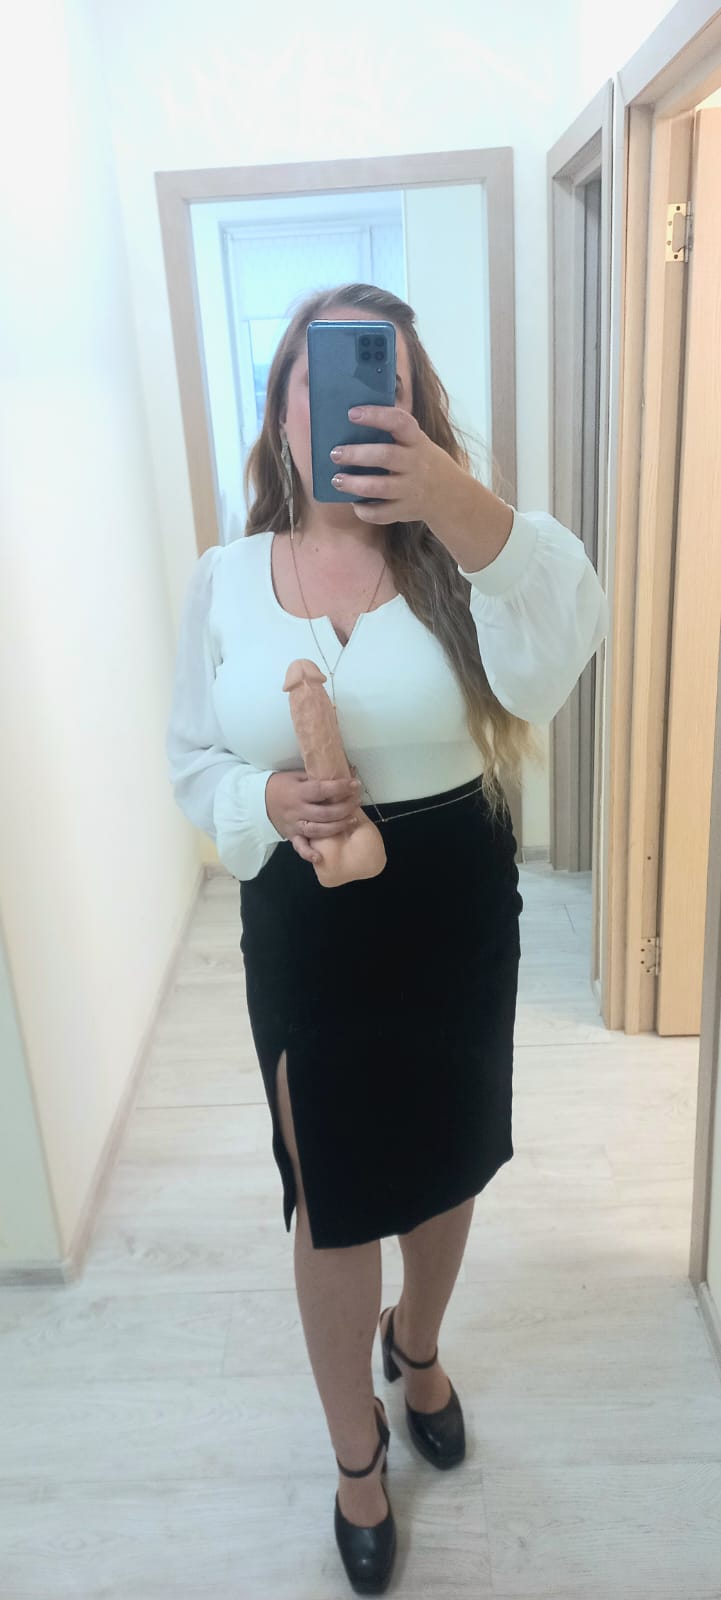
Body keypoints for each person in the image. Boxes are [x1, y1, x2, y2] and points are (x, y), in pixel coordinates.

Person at [166, 282, 609, 1595]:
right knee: (335, 1198)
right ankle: (354, 1455)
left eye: (383, 377)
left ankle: (417, 1346)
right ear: (280, 413)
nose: (351, 398)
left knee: (448, 1162)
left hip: (451, 898)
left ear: (412, 405)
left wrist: (456, 501)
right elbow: (190, 759)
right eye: (319, 376)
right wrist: (262, 798)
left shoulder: (462, 556)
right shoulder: (224, 580)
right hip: (304, 917)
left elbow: (560, 649)